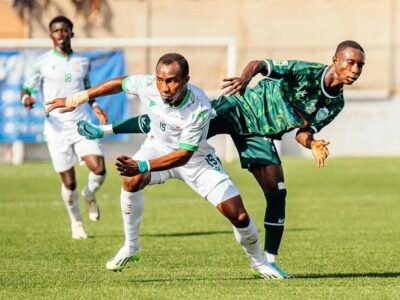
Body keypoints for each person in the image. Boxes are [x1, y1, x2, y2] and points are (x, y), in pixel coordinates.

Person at [75, 40, 365, 278]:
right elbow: (262, 64)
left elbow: (303, 132)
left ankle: (268, 261)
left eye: (359, 65)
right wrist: (245, 78)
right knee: (173, 124)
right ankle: (130, 244)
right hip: (237, 108)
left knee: (276, 194)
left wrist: (312, 142)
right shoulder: (307, 71)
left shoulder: (335, 103)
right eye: (350, 62)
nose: (354, 70)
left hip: (260, 134)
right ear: (336, 60)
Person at [46, 52, 286, 279]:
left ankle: (260, 264)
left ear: (185, 81)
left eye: (171, 81)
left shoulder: (199, 107)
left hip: (196, 161)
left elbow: (183, 155)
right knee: (130, 181)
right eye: (160, 79)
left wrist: (142, 165)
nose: (164, 87)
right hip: (157, 148)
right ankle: (131, 246)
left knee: (240, 215)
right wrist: (79, 97)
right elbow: (121, 82)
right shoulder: (150, 86)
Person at [21, 16, 108, 240]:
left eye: (64, 30)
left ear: (71, 33)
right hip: (56, 129)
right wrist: (26, 99)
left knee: (98, 169)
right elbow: (27, 88)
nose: (60, 34)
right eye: (56, 31)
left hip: (81, 124)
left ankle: (89, 194)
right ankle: (76, 222)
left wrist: (96, 105)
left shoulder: (83, 61)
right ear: (51, 36)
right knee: (69, 183)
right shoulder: (41, 62)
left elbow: (87, 90)